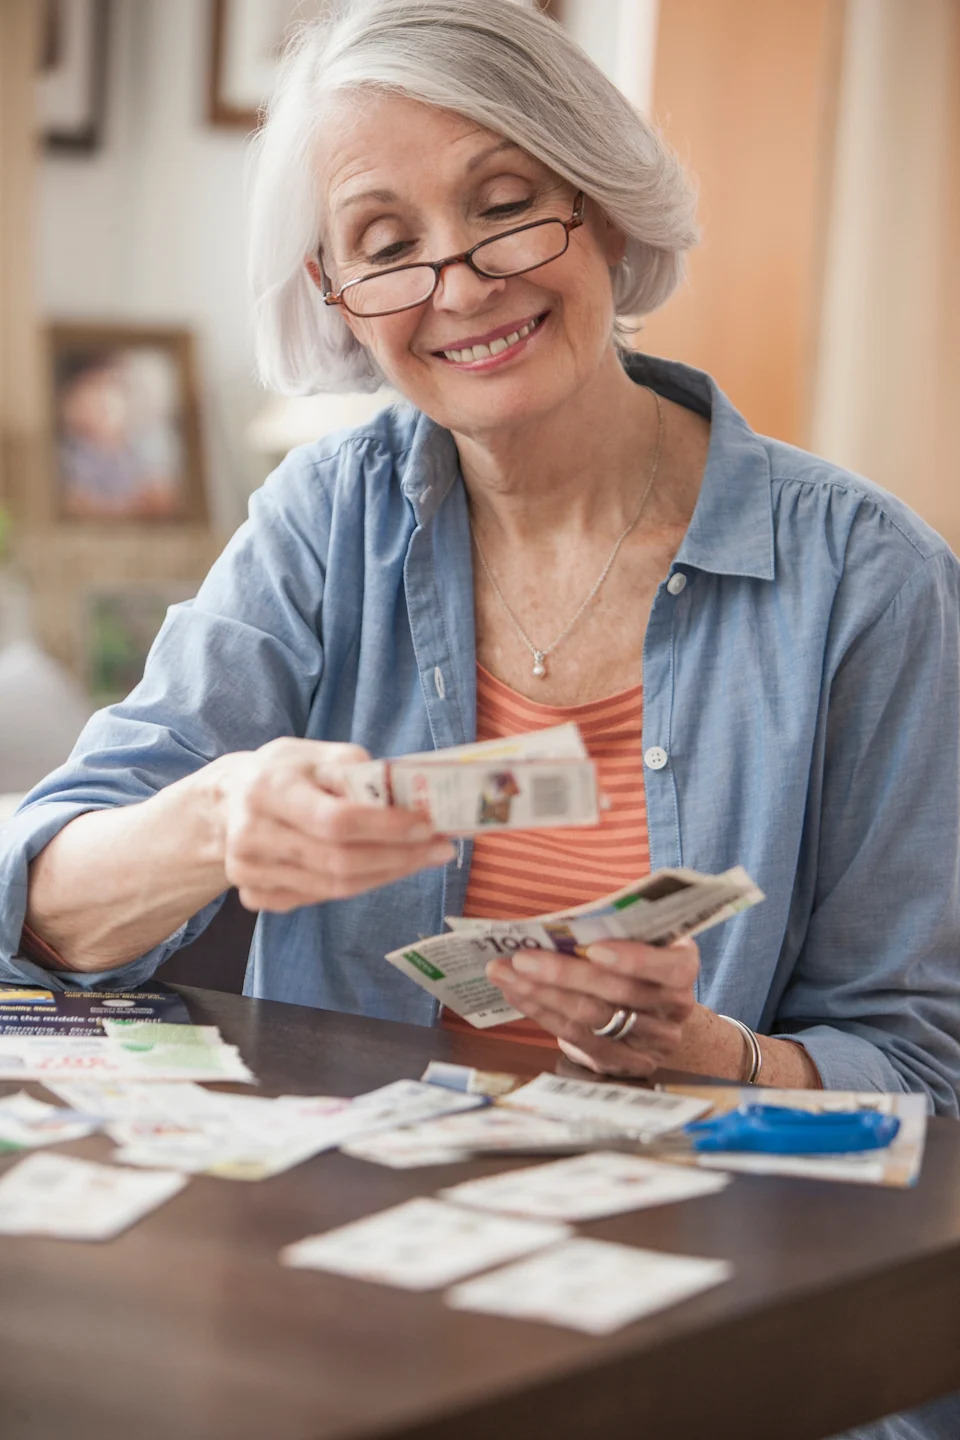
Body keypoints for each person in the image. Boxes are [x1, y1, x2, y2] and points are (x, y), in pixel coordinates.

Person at [2, 0, 959, 1147]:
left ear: (600, 207)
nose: (458, 286)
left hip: (709, 1266)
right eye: (387, 244)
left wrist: (708, 1058)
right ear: (337, 295)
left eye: (505, 209)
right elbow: (36, 910)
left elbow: (922, 1065)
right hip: (337, 1230)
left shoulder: (871, 579)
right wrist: (216, 818)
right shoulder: (324, 521)